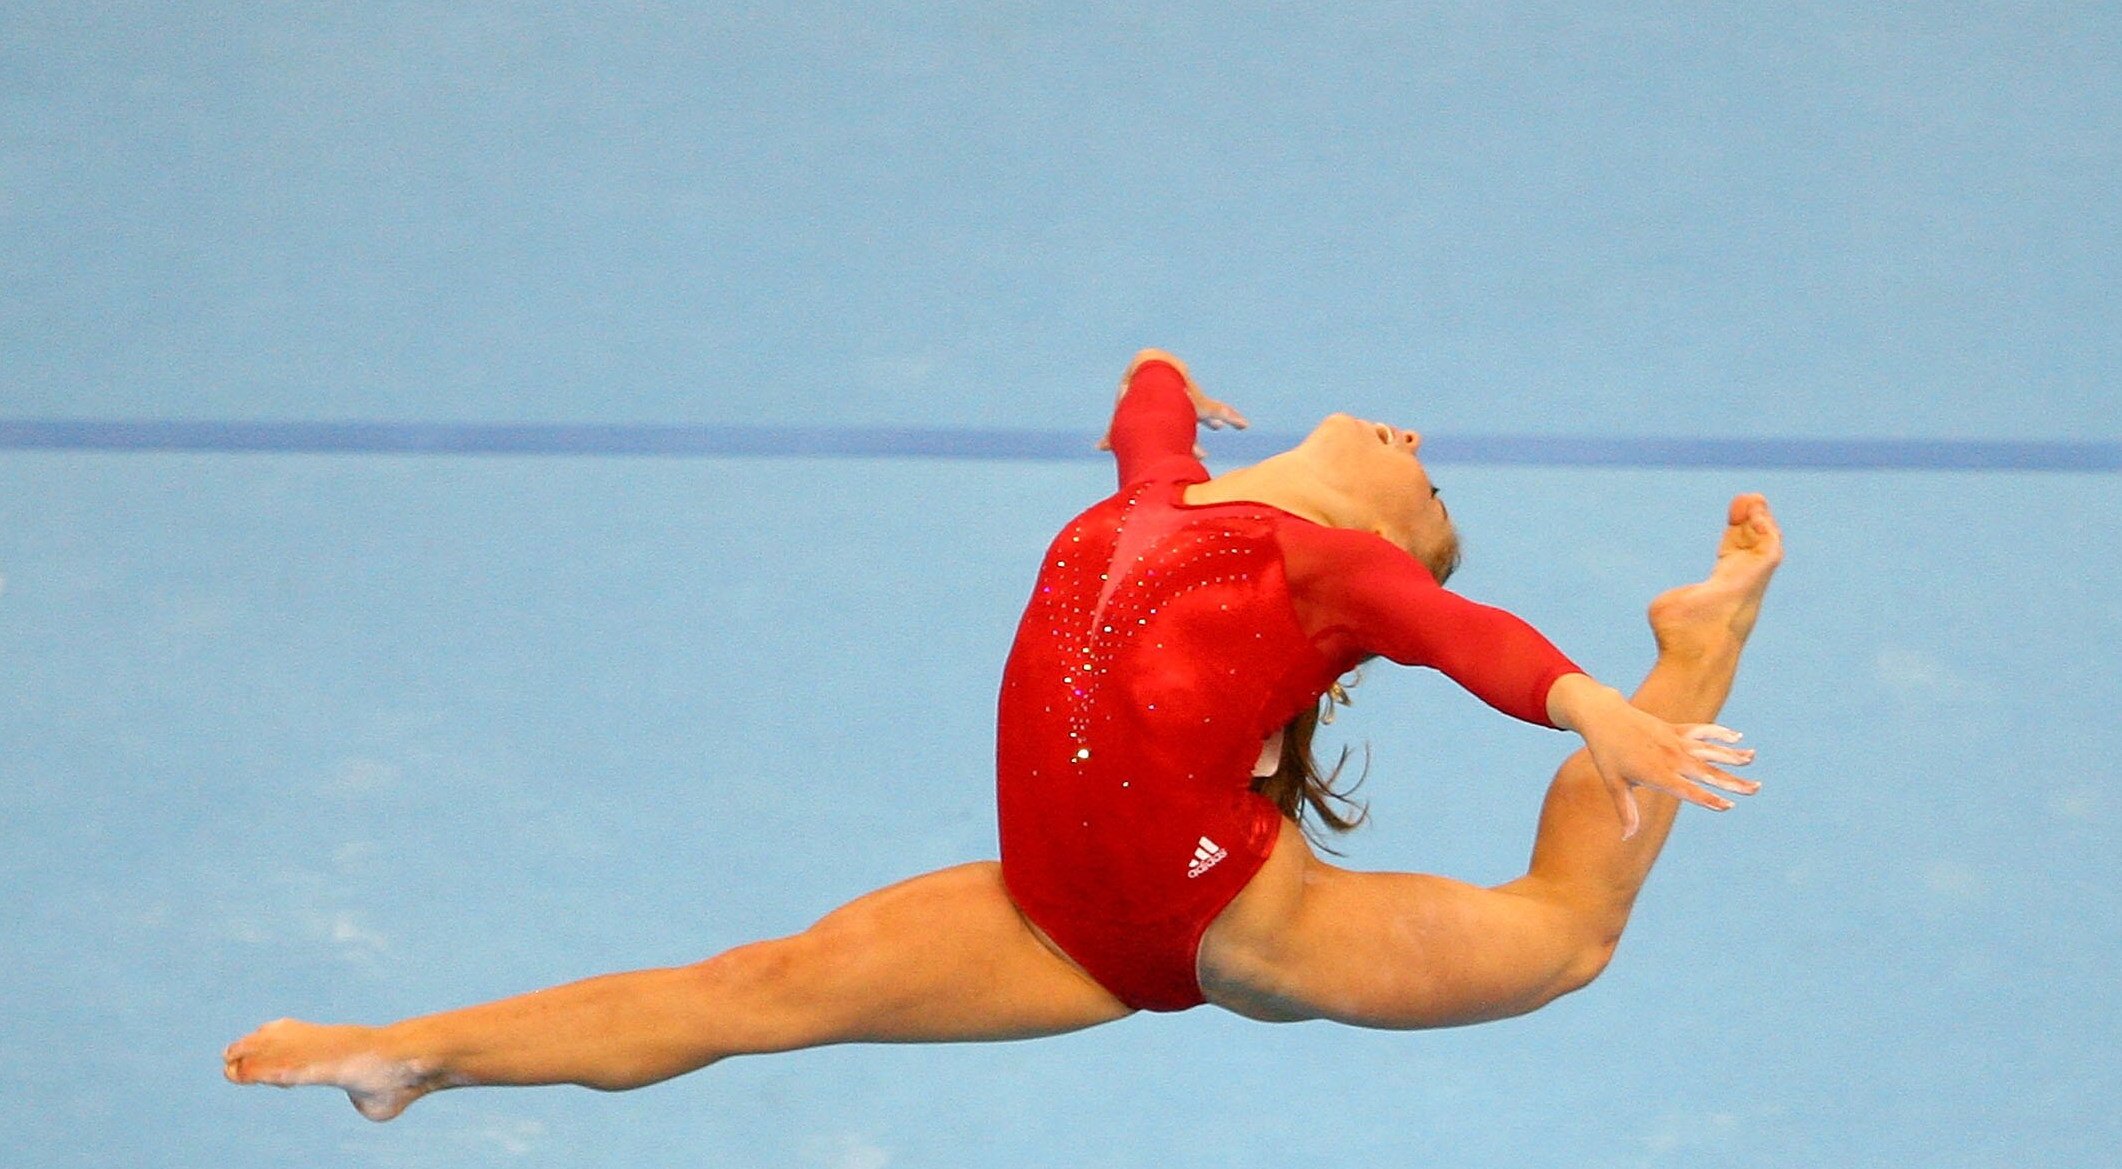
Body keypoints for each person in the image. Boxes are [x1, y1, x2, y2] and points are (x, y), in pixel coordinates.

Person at [223, 351, 1779, 1119]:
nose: (1418, 445)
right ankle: (412, 1054)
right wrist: (1163, 370)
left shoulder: (1335, 571)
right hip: (1053, 917)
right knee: (750, 992)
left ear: (1390, 536)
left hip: (1238, 922)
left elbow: (1476, 642)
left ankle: (1696, 648)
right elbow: (1145, 414)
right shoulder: (1164, 496)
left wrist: (1590, 703)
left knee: (1567, 935)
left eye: (1427, 486)